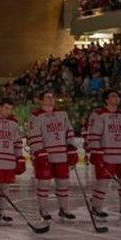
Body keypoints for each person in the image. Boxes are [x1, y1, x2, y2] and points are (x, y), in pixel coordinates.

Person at [27, 92, 78, 222]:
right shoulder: (35, 116)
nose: (51, 99)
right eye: (48, 97)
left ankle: (64, 209)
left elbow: (69, 131)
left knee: (63, 183)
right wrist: (39, 152)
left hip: (61, 155)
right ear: (40, 101)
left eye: (52, 97)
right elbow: (34, 136)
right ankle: (43, 209)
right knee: (43, 183)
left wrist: (71, 148)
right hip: (45, 156)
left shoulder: (62, 114)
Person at [86, 89, 121, 218]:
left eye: (117, 96)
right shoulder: (98, 114)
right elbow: (93, 135)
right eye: (113, 96)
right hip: (107, 155)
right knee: (102, 183)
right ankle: (96, 207)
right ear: (106, 100)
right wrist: (96, 152)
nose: (116, 98)